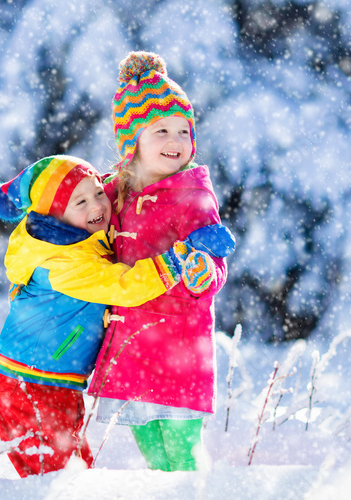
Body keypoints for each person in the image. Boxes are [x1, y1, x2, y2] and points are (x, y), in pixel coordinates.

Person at [0, 155, 234, 477]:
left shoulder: (75, 234)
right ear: (54, 214)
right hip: (30, 383)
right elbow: (122, 285)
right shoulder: (60, 263)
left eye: (98, 193)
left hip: (51, 379)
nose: (97, 206)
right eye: (80, 201)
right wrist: (180, 256)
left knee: (70, 468)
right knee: (58, 476)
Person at [88, 51, 232, 472]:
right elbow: (79, 214)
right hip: (132, 346)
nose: (175, 141)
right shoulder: (115, 194)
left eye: (183, 131)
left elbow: (213, 256)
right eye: (161, 130)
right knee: (153, 454)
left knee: (182, 454)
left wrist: (204, 273)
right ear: (132, 140)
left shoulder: (193, 197)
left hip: (179, 346)